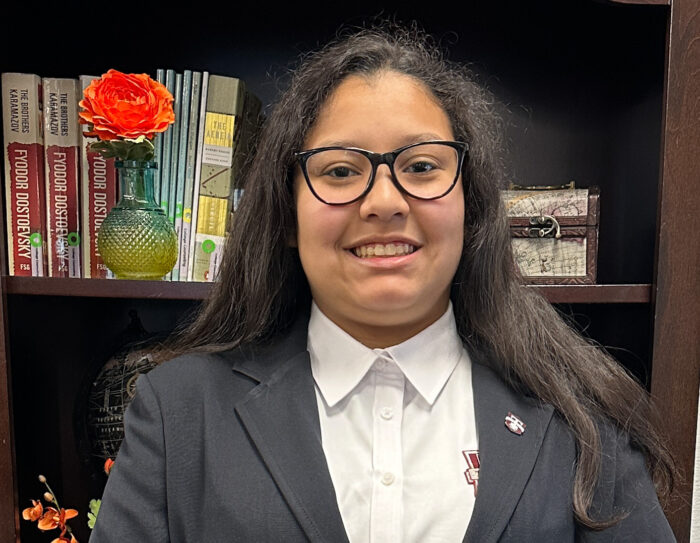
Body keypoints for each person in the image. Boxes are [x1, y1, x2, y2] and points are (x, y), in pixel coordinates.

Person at [90, 23, 677, 542]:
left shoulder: (581, 411)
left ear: (470, 206)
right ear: (286, 216)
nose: (384, 201)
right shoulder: (178, 411)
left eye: (422, 166)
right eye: (340, 171)